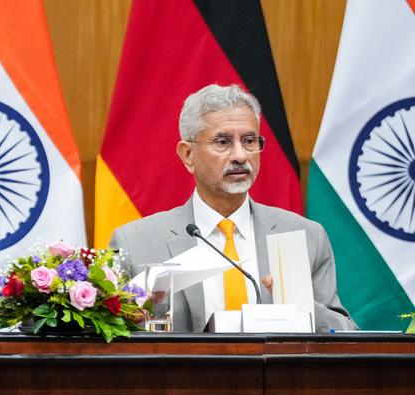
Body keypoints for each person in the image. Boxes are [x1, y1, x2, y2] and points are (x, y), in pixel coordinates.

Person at [110, 84, 356, 333]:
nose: (240, 155)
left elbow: (346, 333)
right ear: (188, 155)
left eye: (249, 141)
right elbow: (107, 341)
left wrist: (302, 308)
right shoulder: (135, 243)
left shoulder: (305, 235)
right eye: (223, 142)